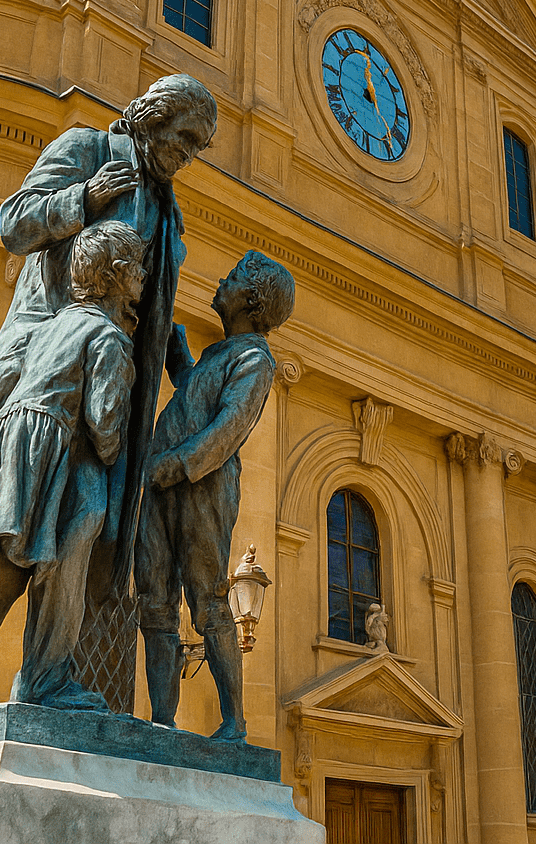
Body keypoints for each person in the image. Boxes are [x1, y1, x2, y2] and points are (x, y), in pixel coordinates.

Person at [0, 73, 216, 599]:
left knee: (87, 520)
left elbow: (153, 303)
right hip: (51, 360)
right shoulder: (87, 148)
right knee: (12, 526)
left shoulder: (167, 208)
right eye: (184, 139)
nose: (188, 157)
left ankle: (47, 678)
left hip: (111, 377)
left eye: (197, 148)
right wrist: (82, 198)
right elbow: (13, 224)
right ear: (154, 121)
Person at [0, 222, 143, 714]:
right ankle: (45, 678)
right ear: (121, 274)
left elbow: (9, 379)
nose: (145, 282)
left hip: (10, 445)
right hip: (52, 449)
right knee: (67, 553)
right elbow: (104, 423)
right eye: (141, 272)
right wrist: (114, 452)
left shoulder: (52, 324)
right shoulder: (108, 336)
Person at [135, 251, 295, 740]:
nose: (220, 281)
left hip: (202, 488)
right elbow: (195, 396)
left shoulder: (255, 360)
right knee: (155, 601)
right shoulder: (219, 355)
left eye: (230, 278)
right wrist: (178, 356)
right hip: (163, 482)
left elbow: (227, 430)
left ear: (249, 300)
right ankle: (162, 721)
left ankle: (234, 725)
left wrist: (175, 464)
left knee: (207, 601)